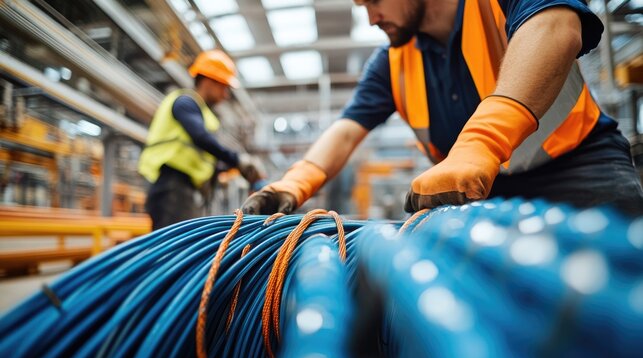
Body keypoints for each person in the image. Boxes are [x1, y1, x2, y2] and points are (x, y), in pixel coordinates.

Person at [242, 0, 643, 216]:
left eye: (374, 1)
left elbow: (556, 25)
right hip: (480, 194)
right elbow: (349, 127)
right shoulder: (391, 63)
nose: (370, 19)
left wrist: (482, 142)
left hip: (581, 168)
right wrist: (297, 181)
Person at [140, 50, 263, 230]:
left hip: (182, 188)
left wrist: (233, 168)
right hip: (170, 184)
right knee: (177, 250)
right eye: (223, 86)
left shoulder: (203, 113)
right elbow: (201, 138)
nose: (225, 95)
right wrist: (238, 159)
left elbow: (204, 156)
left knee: (183, 247)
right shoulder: (185, 102)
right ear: (208, 81)